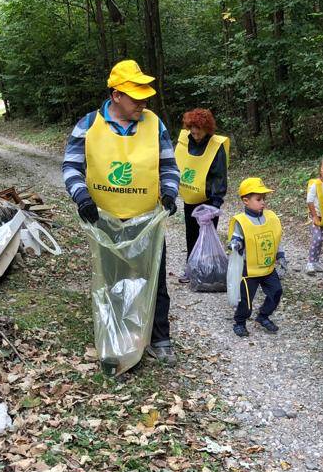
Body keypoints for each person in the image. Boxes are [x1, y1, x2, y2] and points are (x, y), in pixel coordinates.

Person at [61, 59, 181, 366]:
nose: (143, 103)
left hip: (146, 221)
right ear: (116, 95)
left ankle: (159, 338)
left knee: (153, 279)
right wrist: (82, 199)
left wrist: (169, 192)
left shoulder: (154, 124)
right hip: (105, 220)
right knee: (111, 281)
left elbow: (169, 165)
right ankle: (115, 338)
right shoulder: (88, 125)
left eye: (145, 97)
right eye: (135, 97)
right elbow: (72, 166)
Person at [175, 108, 229, 282]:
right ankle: (191, 269)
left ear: (207, 128)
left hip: (208, 200)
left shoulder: (215, 146)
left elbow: (219, 175)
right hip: (190, 197)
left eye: (199, 130)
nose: (196, 134)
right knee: (191, 235)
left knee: (206, 236)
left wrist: (216, 203)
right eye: (193, 130)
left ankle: (207, 271)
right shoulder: (185, 141)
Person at [227, 177, 284, 338]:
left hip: (268, 268)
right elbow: (237, 238)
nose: (263, 203)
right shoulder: (242, 222)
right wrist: (235, 244)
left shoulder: (270, 217)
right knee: (246, 299)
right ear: (246, 201)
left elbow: (276, 237)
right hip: (249, 270)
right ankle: (240, 322)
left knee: (276, 291)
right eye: (258, 199)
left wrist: (281, 255)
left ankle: (263, 316)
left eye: (264, 199)